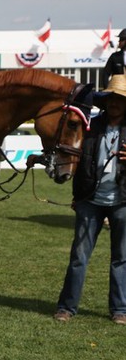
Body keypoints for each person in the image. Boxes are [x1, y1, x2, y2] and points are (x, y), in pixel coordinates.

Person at [54, 74, 126, 325]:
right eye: (111, 98)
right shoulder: (91, 126)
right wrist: (77, 197)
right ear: (105, 101)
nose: (115, 103)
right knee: (79, 257)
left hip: (122, 202)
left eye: (120, 99)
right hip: (90, 201)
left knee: (121, 258)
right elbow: (78, 159)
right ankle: (67, 307)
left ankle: (120, 309)